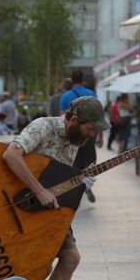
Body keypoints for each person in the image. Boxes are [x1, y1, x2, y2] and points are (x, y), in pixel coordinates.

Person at [2, 96, 109, 280]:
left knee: (70, 258)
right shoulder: (44, 126)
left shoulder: (76, 138)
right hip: (21, 204)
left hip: (49, 210)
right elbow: (11, 155)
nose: (91, 135)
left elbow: (56, 177)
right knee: (37, 265)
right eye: (90, 128)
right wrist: (39, 191)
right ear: (73, 119)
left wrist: (80, 179)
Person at [59, 70, 103, 203]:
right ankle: (85, 182)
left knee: (74, 161)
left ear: (71, 80)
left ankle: (77, 184)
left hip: (72, 135)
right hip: (89, 134)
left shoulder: (66, 96)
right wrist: (100, 136)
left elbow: (62, 117)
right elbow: (99, 117)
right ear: (83, 79)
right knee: (90, 160)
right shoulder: (91, 94)